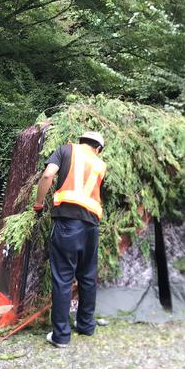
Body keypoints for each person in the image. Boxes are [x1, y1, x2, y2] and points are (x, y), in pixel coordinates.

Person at [33, 131, 107, 348]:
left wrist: (38, 204)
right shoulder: (100, 164)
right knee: (87, 276)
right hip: (91, 226)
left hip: (67, 223)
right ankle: (86, 325)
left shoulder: (66, 150)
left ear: (81, 141)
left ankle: (61, 336)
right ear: (98, 148)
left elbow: (48, 175)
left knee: (63, 277)